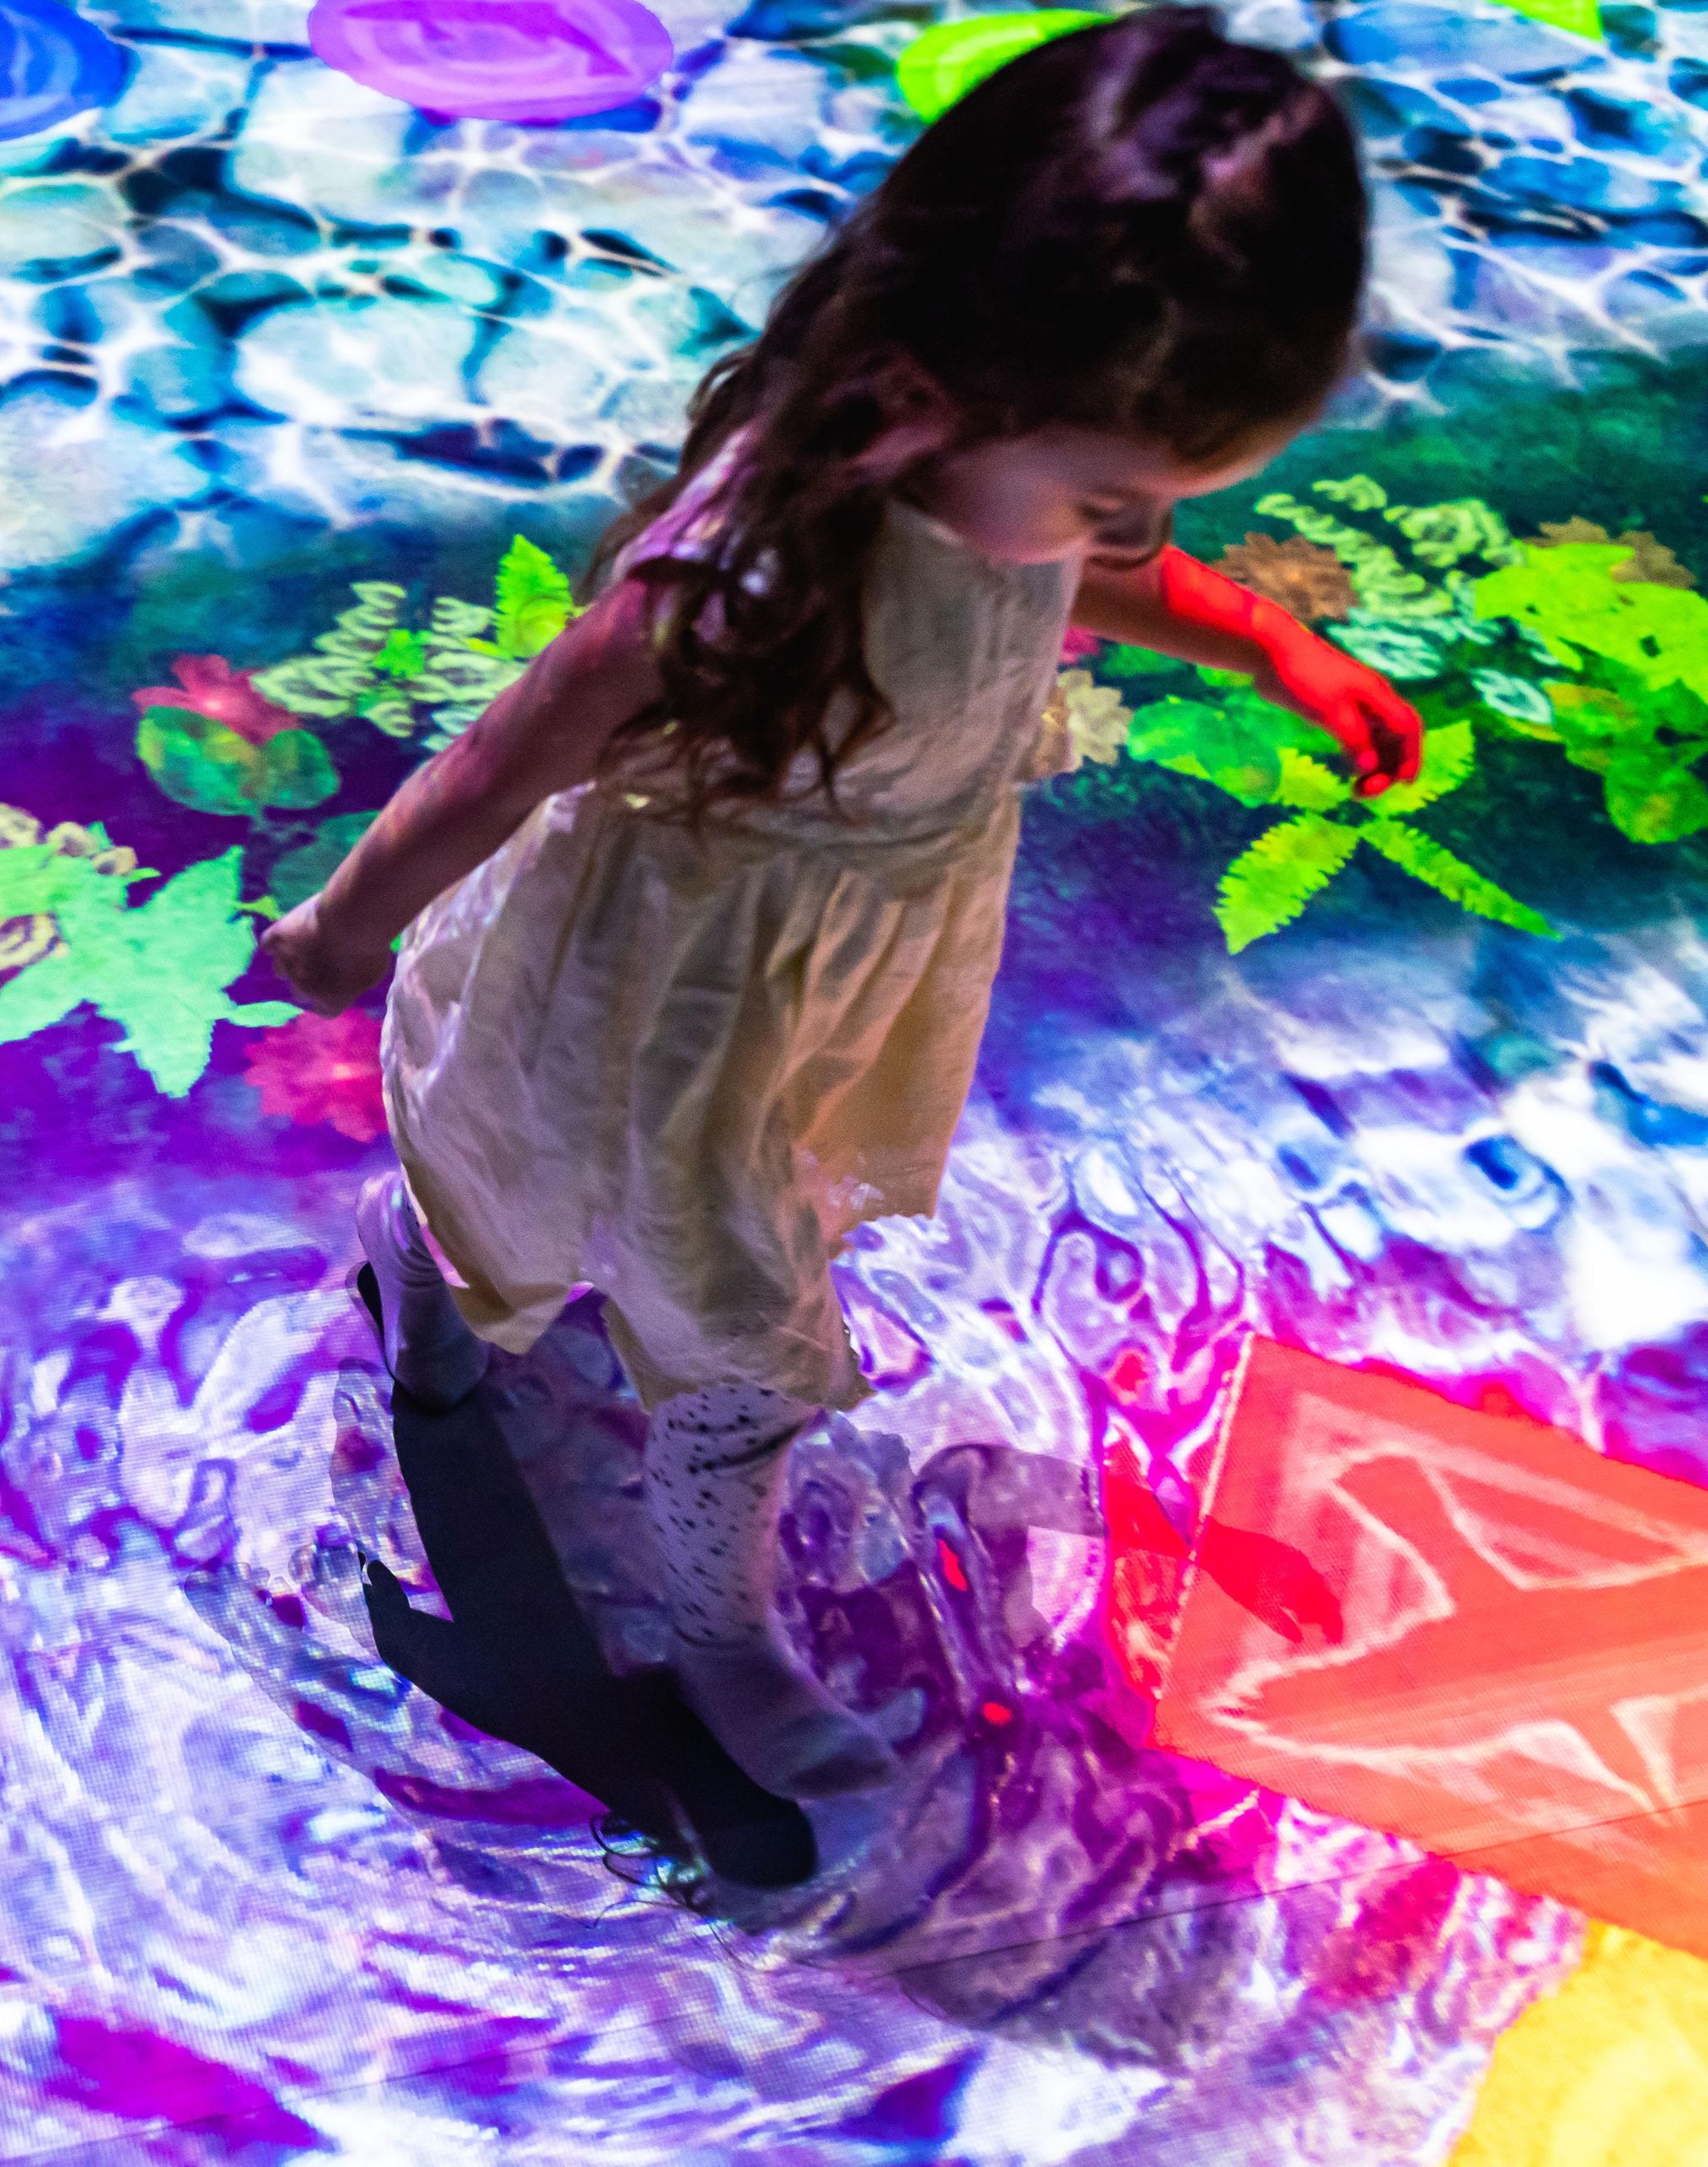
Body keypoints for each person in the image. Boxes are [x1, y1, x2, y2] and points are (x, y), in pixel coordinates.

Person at [264, 8, 1421, 1803]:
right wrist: (345, 929)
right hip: (660, 984)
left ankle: (494, 1346)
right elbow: (502, 763)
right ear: (937, 393)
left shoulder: (997, 477)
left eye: (1152, 503)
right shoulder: (738, 584)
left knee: (648, 1252)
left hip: (829, 975)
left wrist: (1269, 637)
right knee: (670, 1304)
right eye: (1108, 496)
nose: (1126, 537)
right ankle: (685, 1596)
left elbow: (1095, 575)